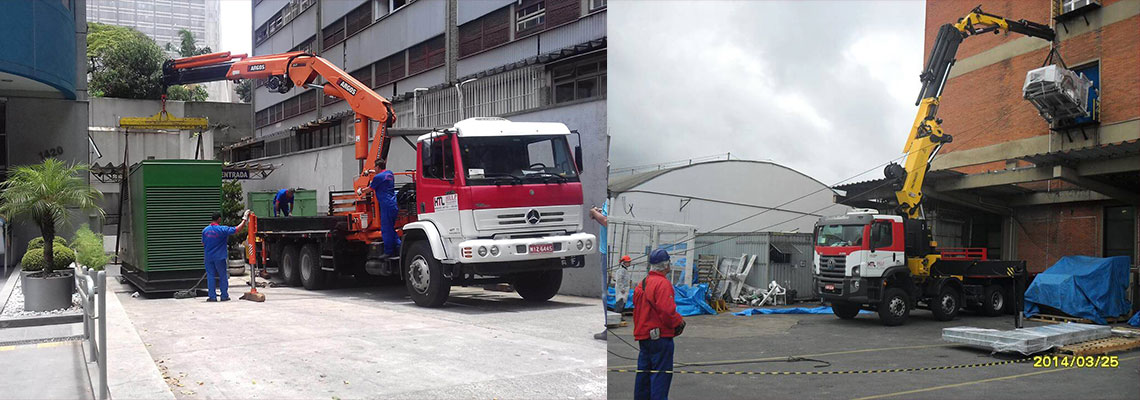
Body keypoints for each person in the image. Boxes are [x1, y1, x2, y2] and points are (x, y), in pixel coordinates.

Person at [633, 249, 685, 400]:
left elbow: (637, 309)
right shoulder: (663, 284)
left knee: (643, 375)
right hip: (661, 338)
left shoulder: (641, 283)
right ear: (666, 265)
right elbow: (667, 311)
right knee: (660, 377)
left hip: (644, 336)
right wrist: (678, 321)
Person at [201, 210, 248, 302]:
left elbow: (203, 243)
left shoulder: (205, 231)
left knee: (210, 276)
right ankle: (224, 296)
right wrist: (244, 219)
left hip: (208, 257)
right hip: (220, 257)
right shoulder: (222, 229)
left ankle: (212, 297)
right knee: (222, 276)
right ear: (219, 219)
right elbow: (237, 229)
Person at [369, 160, 401, 258]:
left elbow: (370, 189)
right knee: (391, 228)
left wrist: (360, 191)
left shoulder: (377, 177)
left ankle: (388, 251)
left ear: (378, 167)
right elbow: (382, 178)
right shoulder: (390, 174)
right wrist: (371, 172)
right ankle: (399, 247)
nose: (374, 169)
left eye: (375, 167)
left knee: (386, 230)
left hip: (386, 206)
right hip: (393, 205)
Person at [589, 198, 609, 340]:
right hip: (605, 250)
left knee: (605, 294)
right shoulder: (609, 201)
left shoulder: (612, 199)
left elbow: (607, 222)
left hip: (606, 252)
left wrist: (595, 214)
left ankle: (609, 328)